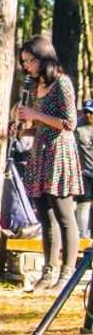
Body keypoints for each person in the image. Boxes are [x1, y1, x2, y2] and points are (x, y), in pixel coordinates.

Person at [17, 35, 83, 291]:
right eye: (24, 62)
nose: (27, 67)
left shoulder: (62, 83)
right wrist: (23, 130)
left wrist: (34, 114)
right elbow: (42, 127)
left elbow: (69, 123)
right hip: (40, 154)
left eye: (29, 61)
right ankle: (48, 272)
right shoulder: (36, 87)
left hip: (59, 154)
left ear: (43, 57)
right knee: (45, 217)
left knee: (64, 216)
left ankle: (67, 273)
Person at [74, 101, 93, 238]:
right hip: (83, 171)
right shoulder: (77, 125)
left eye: (91, 113)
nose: (88, 115)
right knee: (83, 203)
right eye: (86, 112)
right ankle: (82, 234)